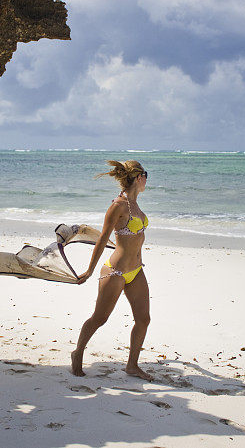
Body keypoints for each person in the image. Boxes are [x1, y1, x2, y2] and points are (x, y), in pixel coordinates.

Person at [72, 160, 152, 381]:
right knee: (99, 318)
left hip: (136, 272)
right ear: (139, 178)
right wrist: (89, 271)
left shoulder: (136, 205)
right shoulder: (118, 206)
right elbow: (102, 240)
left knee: (143, 319)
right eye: (146, 175)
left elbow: (138, 239)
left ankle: (132, 365)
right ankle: (78, 353)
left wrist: (140, 261)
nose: (147, 180)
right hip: (115, 272)